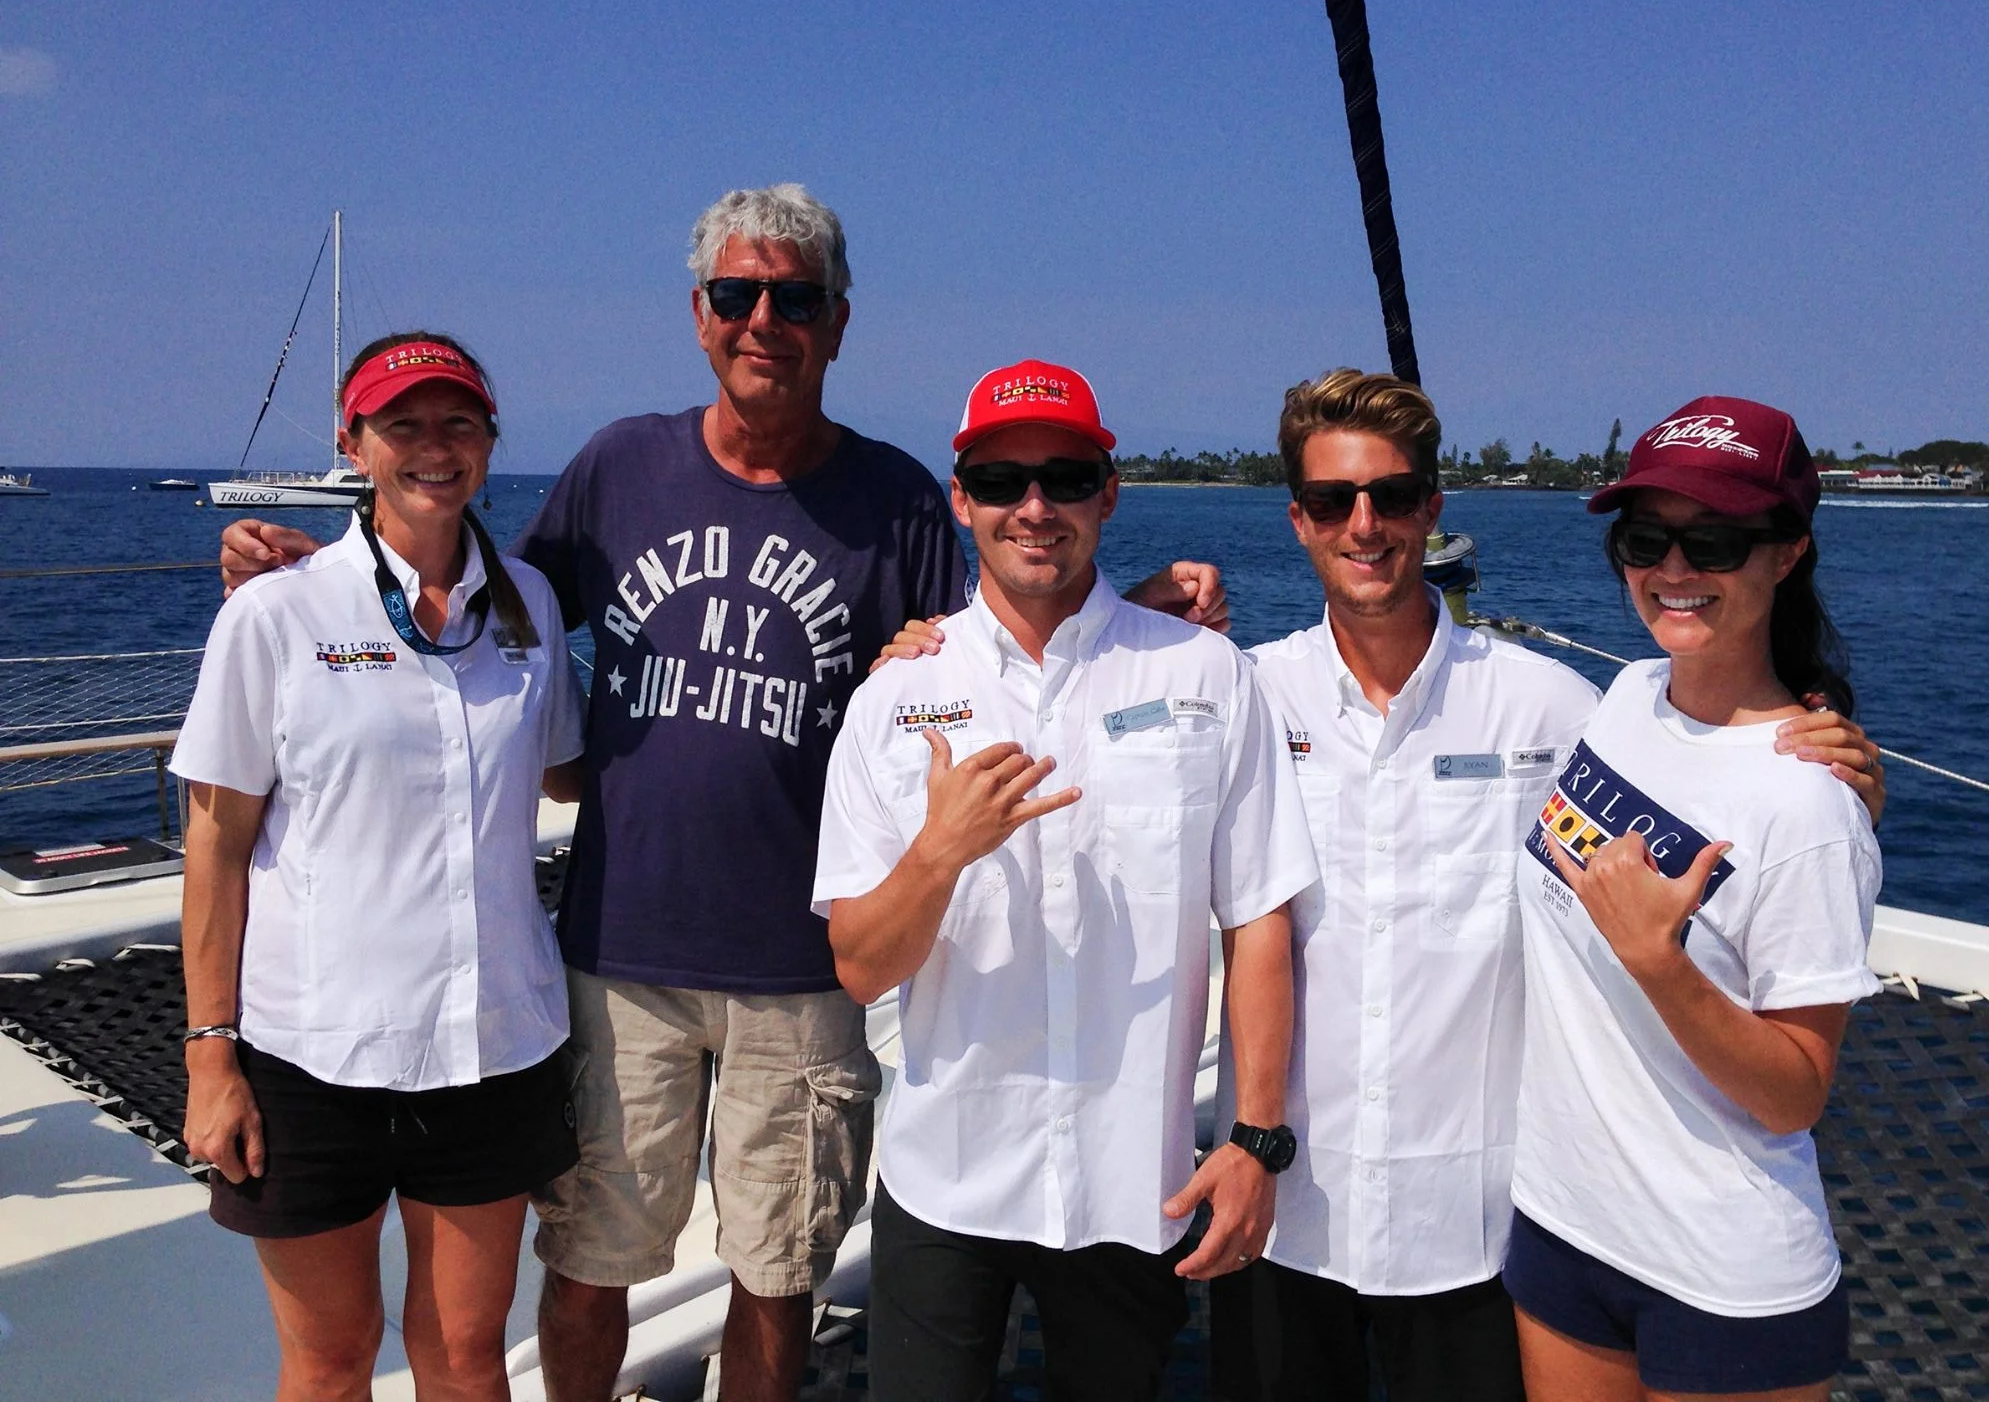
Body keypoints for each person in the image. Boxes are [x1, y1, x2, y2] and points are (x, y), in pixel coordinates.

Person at [216, 186, 1229, 1402]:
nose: (765, 320)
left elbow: (1003, 627)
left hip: (798, 963)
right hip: (615, 953)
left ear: (837, 323)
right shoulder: (617, 466)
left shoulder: (901, 497)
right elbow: (475, 608)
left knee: (777, 1269)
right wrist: (309, 573)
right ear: (698, 314)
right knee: (590, 1263)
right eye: (738, 295)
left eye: (795, 298)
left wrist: (1140, 617)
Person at [882, 371, 1885, 1402]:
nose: (1364, 526)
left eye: (1392, 498)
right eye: (1330, 502)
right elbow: (1071, 685)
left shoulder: (1555, 708)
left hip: (1480, 1224)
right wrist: (929, 655)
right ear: (1299, 523)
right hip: (1280, 1210)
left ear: (1430, 511)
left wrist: (1833, 768)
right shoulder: (1238, 690)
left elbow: (1699, 764)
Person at [814, 361, 1319, 1402]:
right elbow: (861, 968)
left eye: (1065, 475)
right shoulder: (894, 699)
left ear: (1108, 491)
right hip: (946, 1179)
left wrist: (1253, 1143)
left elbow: (1259, 920)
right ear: (961, 499)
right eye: (1000, 481)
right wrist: (937, 854)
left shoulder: (1206, 676)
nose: (1033, 506)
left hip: (1130, 1182)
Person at [175, 334, 586, 1402]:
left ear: (491, 444)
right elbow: (215, 844)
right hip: (314, 1054)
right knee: (330, 1360)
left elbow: (567, 777)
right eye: (401, 425)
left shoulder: (530, 606)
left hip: (490, 1041)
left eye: (457, 423)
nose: (432, 447)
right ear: (353, 444)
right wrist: (209, 1058)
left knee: (462, 1354)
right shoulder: (278, 610)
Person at [1507, 397, 1881, 1401]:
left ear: (1785, 552)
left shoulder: (1808, 803)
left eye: (1710, 541)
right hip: (1562, 1217)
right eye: (1643, 539)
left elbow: (1794, 1092)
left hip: (1717, 1272)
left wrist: (1657, 965)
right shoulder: (1625, 697)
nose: (1671, 571)